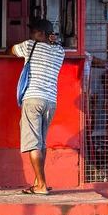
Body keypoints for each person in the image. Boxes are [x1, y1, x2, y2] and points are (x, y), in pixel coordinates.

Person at [9, 19, 65, 195]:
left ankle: (41, 185)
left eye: (33, 32)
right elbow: (56, 45)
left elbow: (10, 50)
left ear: (41, 33)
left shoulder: (29, 46)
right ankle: (39, 181)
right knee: (41, 143)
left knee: (33, 143)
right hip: (50, 102)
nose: (30, 35)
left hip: (33, 99)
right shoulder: (60, 51)